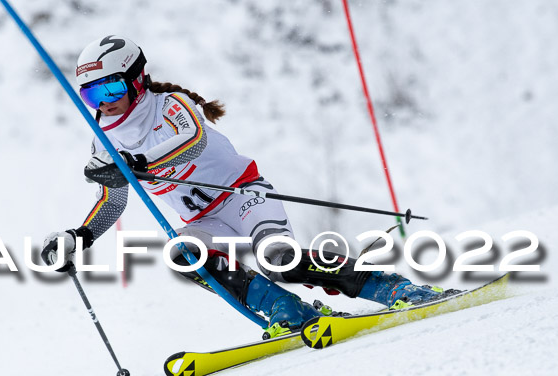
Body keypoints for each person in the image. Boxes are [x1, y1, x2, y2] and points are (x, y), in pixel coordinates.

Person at [41, 35, 450, 337]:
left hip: (244, 197)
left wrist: (139, 163)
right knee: (184, 254)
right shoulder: (103, 136)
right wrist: (80, 237)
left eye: (111, 87)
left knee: (278, 258)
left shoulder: (171, 106)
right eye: (91, 92)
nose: (103, 100)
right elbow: (115, 197)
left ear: (138, 79)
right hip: (204, 219)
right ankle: (288, 312)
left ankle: (396, 288)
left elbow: (192, 142)